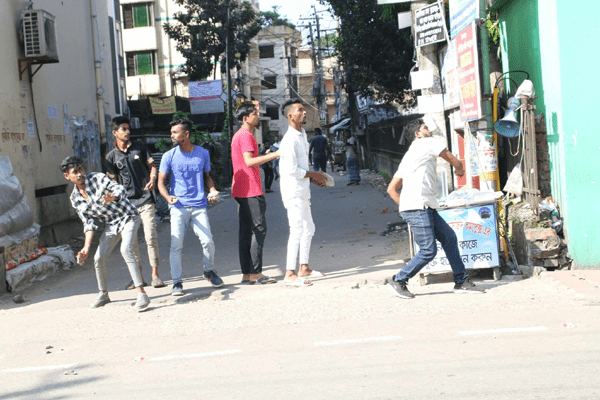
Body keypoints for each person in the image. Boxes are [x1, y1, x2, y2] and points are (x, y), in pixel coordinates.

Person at [386, 121, 485, 299]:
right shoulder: (427, 142)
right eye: (425, 128)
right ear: (418, 134)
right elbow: (452, 158)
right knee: (428, 251)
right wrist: (460, 169)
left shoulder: (409, 155)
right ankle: (399, 279)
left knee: (449, 238)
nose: (429, 130)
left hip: (423, 206)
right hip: (418, 207)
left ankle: (461, 281)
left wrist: (405, 208)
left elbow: (391, 189)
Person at [60, 156, 151, 311]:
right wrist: (86, 248)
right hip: (111, 224)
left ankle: (141, 294)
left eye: (81, 169)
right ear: (67, 176)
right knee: (98, 258)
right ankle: (103, 294)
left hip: (128, 216)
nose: (80, 174)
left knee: (126, 250)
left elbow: (119, 188)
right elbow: (88, 223)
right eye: (75, 172)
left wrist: (113, 197)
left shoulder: (97, 178)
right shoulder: (75, 198)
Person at [157, 117, 224, 296]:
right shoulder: (168, 156)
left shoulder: (202, 153)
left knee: (208, 241)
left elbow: (207, 176)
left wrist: (212, 189)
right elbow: (160, 182)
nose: (171, 135)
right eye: (171, 132)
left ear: (186, 134)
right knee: (176, 245)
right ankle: (177, 282)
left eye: (175, 132)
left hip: (199, 205)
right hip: (178, 207)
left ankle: (209, 271)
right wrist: (167, 197)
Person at [105, 116, 165, 290]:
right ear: (115, 132)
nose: (127, 132)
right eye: (123, 129)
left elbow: (153, 166)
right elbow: (113, 182)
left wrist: (153, 178)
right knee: (130, 243)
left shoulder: (139, 147)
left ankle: (155, 275)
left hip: (146, 199)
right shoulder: (110, 157)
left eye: (128, 128)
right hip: (127, 205)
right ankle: (138, 277)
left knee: (150, 237)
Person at [279, 99, 328, 287]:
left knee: (309, 228)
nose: (305, 113)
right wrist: (313, 174)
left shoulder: (302, 135)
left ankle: (304, 267)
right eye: (300, 110)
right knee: (297, 230)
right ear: (290, 115)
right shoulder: (289, 140)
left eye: (304, 110)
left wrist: (314, 179)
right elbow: (292, 169)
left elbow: (302, 167)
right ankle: (289, 273)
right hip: (293, 191)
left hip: (303, 190)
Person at [231, 102, 280, 284]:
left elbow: (247, 160)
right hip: (250, 188)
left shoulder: (238, 135)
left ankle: (247, 273)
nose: (257, 117)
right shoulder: (246, 135)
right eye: (255, 114)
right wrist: (275, 154)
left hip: (240, 188)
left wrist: (264, 154)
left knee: (245, 231)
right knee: (258, 229)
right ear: (246, 118)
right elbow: (249, 162)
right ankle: (256, 272)